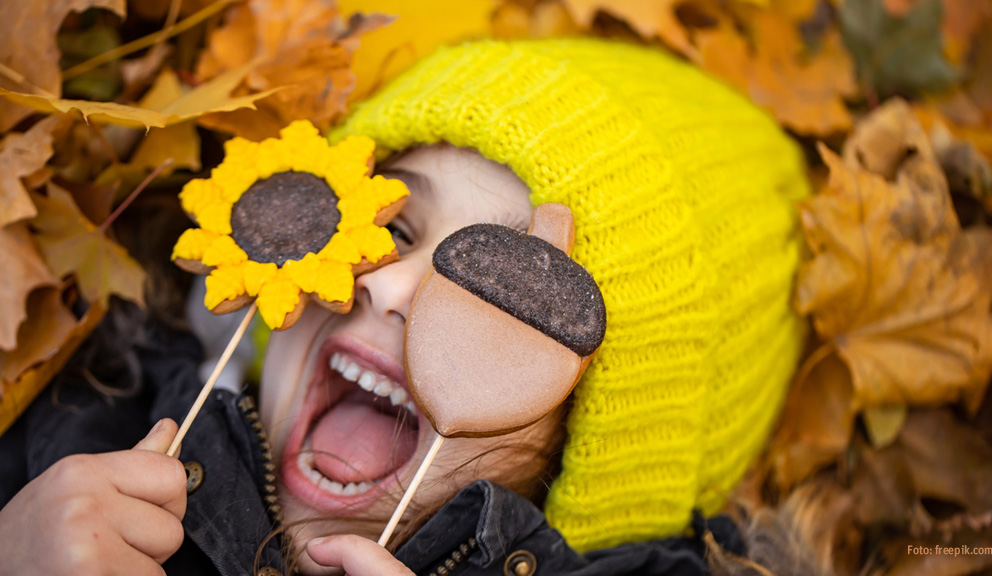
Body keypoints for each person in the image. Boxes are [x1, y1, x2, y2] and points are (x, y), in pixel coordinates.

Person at [0, 37, 808, 576]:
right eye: (395, 226)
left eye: (502, 288)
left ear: (603, 442)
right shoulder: (76, 424)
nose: (386, 286)